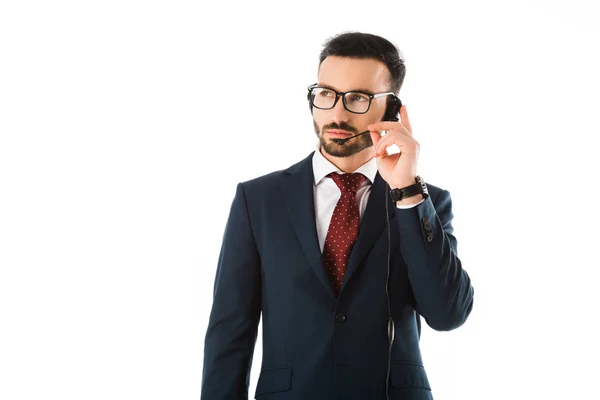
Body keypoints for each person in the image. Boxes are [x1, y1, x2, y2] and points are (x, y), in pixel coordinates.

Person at [200, 32, 474, 400]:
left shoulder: (425, 202)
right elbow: (228, 334)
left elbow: (449, 314)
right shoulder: (258, 200)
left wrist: (407, 189)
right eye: (326, 94)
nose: (337, 114)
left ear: (392, 110)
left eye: (358, 98)